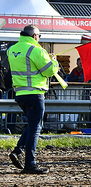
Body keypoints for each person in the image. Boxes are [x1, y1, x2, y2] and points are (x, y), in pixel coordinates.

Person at [7, 25, 59, 174]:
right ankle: (30, 163)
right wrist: (53, 61)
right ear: (34, 35)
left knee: (32, 124)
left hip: (20, 94)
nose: (39, 39)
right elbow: (48, 71)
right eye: (40, 36)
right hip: (35, 93)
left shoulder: (12, 50)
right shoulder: (36, 50)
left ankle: (18, 150)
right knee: (36, 127)